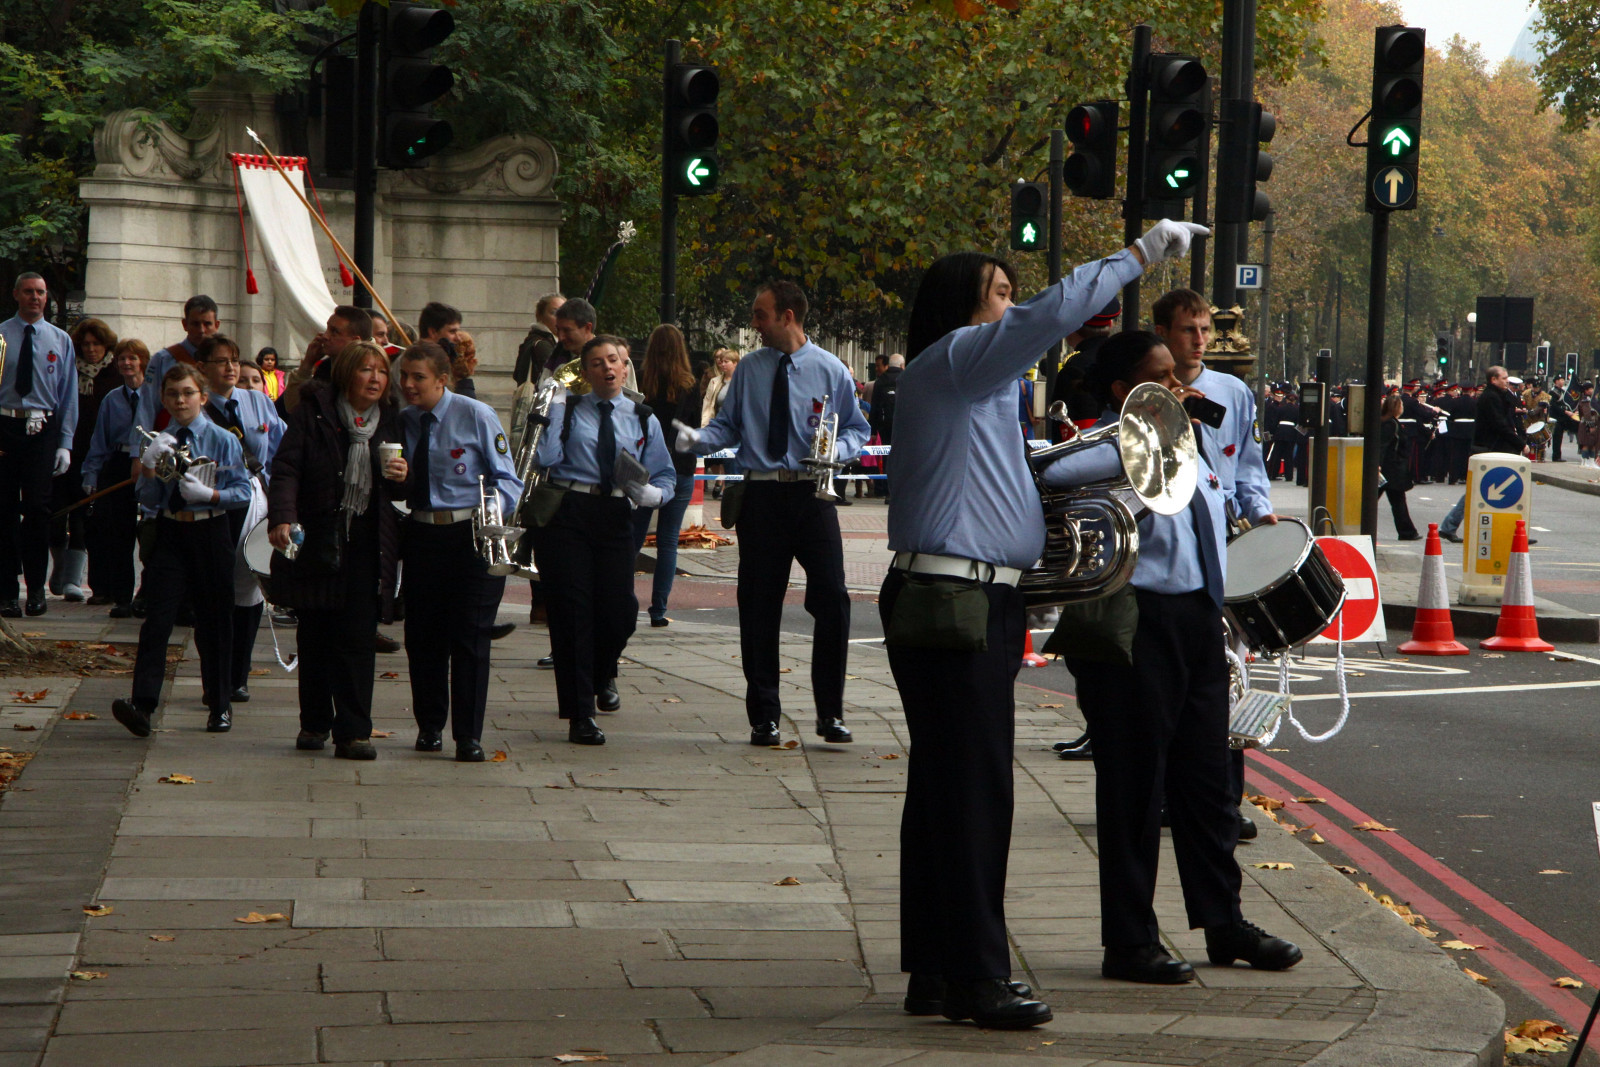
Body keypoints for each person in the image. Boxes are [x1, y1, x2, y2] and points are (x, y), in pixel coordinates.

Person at [880, 223, 1194, 1029]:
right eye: (998, 292)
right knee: (977, 792)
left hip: (964, 597)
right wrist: (1138, 255)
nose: (1011, 307)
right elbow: (1050, 315)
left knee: (944, 789)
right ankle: (980, 976)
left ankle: (936, 969)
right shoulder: (958, 358)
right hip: (956, 599)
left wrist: (1130, 450)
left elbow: (1024, 478)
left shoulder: (970, 390)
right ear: (963, 306)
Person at [1049, 328, 1302, 988]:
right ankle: (1129, 940)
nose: (1178, 384)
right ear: (1122, 390)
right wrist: (1128, 447)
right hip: (1136, 623)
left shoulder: (1191, 440)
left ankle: (1224, 921)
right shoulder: (1107, 446)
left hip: (1196, 618)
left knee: (1208, 783)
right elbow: (1050, 472)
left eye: (1176, 373)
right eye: (1160, 377)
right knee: (1134, 787)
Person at [674, 281, 870, 747]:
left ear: (787, 316)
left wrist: (836, 450)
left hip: (812, 495)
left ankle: (830, 712)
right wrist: (697, 440)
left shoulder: (830, 369)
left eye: (760, 315)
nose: (754, 324)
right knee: (759, 605)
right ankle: (764, 716)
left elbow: (858, 429)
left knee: (833, 599)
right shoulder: (750, 369)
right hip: (761, 496)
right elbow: (728, 427)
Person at [533, 335, 676, 744]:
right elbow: (545, 459)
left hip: (615, 514)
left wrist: (655, 495)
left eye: (613, 360)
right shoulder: (570, 408)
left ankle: (601, 673)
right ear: (586, 372)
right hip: (569, 511)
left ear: (625, 366)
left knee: (620, 611)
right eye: (596, 363)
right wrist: (555, 407)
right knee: (573, 612)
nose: (607, 368)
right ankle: (580, 714)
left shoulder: (643, 417)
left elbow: (665, 473)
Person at [269, 340, 403, 760]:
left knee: (358, 638)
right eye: (366, 370)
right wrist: (283, 517)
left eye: (381, 371)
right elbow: (287, 468)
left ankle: (354, 732)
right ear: (346, 375)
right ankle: (314, 723)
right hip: (319, 538)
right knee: (315, 635)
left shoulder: (392, 419)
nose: (375, 379)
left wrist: (405, 475)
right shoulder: (315, 412)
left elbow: (411, 485)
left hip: (367, 544)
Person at [394, 342, 522, 761]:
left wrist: (491, 514)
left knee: (470, 636)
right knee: (423, 636)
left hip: (470, 535)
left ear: (442, 380)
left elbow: (508, 480)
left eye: (419, 378)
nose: (409, 385)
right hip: (422, 534)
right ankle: (430, 726)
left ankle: (468, 735)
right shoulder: (404, 421)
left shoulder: (476, 414)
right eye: (404, 376)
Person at [110, 363, 252, 737]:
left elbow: (243, 491)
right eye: (172, 394)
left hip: (210, 531)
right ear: (163, 398)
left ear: (202, 397)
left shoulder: (222, 439)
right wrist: (149, 467)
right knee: (157, 619)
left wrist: (212, 494)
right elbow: (147, 498)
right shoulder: (162, 439)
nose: (180, 401)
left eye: (188, 393)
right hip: (172, 530)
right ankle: (143, 705)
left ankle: (219, 704)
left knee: (214, 621)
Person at [196, 333, 286, 705]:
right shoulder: (197, 407)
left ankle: (239, 674)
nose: (230, 368)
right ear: (202, 368)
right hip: (214, 502)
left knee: (250, 586)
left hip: (256, 500)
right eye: (221, 361)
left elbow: (281, 450)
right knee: (216, 591)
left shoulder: (257, 402)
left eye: (234, 360)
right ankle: (215, 678)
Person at [0, 273, 78, 618]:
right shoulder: (1, 335)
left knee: (37, 509)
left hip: (42, 427)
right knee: (3, 510)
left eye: (41, 292)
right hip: (5, 424)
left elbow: (68, 394)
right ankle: (6, 591)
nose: (35, 297)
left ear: (47, 298)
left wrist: (65, 443)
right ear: (16, 294)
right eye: (29, 291)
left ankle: (35, 590)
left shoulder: (60, 339)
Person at [630, 324, 702, 628]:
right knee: (668, 541)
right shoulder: (690, 384)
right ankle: (658, 609)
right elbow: (695, 426)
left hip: (646, 466)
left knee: (634, 537)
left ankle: (622, 598)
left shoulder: (642, 380)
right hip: (680, 466)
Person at [49, 317, 120, 603]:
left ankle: (72, 579)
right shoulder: (68, 369)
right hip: (66, 450)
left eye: (96, 344)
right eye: (86, 344)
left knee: (82, 518)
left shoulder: (114, 374)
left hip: (97, 456)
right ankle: (60, 565)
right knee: (55, 516)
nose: (91, 350)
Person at [82, 339, 148, 617]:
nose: (127, 363)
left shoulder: (156, 395)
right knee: (120, 534)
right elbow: (100, 440)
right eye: (122, 358)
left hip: (151, 465)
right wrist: (91, 473)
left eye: (132, 358)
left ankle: (148, 595)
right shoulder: (112, 399)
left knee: (152, 535)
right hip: (119, 465)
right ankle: (122, 597)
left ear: (143, 362)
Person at [1439, 365, 1524, 543]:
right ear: (1493, 380)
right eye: (1503, 378)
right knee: (1482, 490)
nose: (1507, 381)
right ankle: (1450, 526)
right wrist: (1520, 443)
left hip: (1496, 448)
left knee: (1495, 491)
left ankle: (1512, 530)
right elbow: (1499, 425)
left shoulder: (1500, 395)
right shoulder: (1490, 397)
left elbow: (1510, 413)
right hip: (1488, 449)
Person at [282, 305, 374, 413]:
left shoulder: (373, 371)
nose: (325, 336)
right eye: (327, 329)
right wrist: (307, 365)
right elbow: (294, 408)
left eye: (334, 332)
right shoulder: (325, 368)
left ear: (355, 341)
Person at [1379, 393, 1421, 541]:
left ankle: (1407, 531)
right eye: (1401, 405)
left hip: (1390, 468)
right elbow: (1383, 446)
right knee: (1398, 502)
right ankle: (1407, 532)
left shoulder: (1391, 422)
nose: (1403, 407)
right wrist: (1378, 465)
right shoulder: (1391, 425)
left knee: (1397, 502)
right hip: (1391, 469)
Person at [700, 348, 740, 499]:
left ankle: (732, 490)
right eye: (721, 362)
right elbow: (708, 405)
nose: (722, 364)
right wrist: (705, 426)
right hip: (720, 426)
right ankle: (726, 487)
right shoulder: (715, 382)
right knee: (721, 458)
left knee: (733, 460)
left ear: (735, 363)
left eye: (726, 362)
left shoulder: (742, 380)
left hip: (738, 427)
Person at [418, 301, 475, 399]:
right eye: (452, 331)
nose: (458, 338)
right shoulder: (416, 360)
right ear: (433, 332)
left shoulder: (441, 360)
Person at [867, 353, 903, 501]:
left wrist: (873, 429)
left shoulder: (881, 381)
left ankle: (887, 490)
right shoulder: (906, 378)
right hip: (903, 425)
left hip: (885, 424)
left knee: (887, 456)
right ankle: (900, 490)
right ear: (902, 365)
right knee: (903, 456)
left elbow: (874, 407)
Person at [514, 293, 566, 386]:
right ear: (539, 315)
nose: (560, 319)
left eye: (564, 314)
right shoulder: (542, 344)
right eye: (554, 313)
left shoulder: (532, 340)